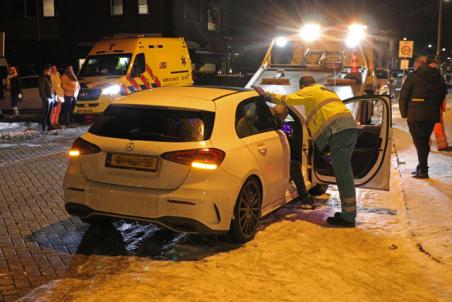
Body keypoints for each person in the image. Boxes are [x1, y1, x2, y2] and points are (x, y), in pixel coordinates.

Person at [255, 76, 360, 227]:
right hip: (348, 128)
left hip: (337, 130)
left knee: (343, 174)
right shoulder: (325, 90)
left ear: (303, 85)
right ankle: (348, 214)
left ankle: (348, 217)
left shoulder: (310, 90)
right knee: (344, 172)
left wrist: (266, 95)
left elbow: (287, 99)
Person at [399, 55, 448, 178]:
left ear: (418, 65)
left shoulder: (412, 77)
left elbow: (404, 96)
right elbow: (443, 94)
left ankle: (424, 170)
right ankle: (421, 166)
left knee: (419, 141)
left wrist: (403, 112)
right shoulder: (439, 77)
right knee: (424, 140)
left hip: (415, 114)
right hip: (432, 114)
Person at [272, 104, 313, 209]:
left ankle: (304, 197)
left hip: (284, 156)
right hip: (281, 157)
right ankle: (304, 197)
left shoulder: (283, 125)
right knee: (294, 166)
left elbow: (295, 124)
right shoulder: (277, 125)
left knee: (294, 166)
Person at [38, 65, 54, 131]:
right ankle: (44, 127)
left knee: (49, 113)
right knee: (45, 113)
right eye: (50, 70)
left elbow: (50, 88)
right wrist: (45, 98)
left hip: (50, 98)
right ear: (46, 70)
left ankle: (48, 126)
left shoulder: (47, 77)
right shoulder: (42, 78)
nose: (50, 71)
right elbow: (41, 90)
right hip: (47, 98)